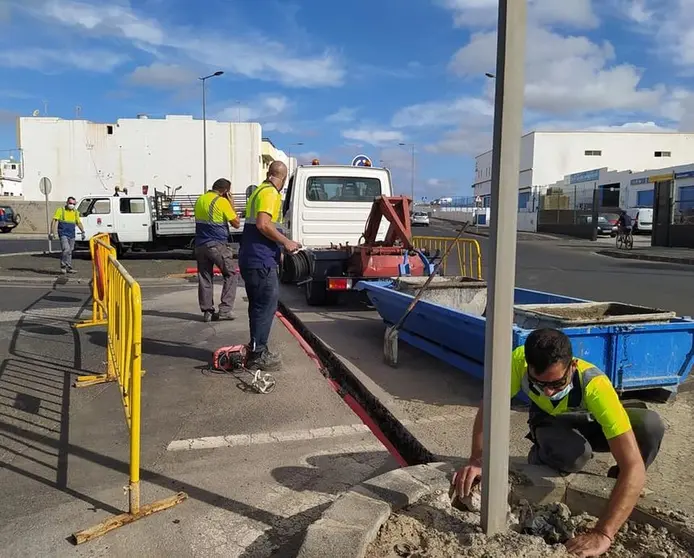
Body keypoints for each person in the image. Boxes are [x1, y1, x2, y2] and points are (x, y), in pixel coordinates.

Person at [453, 328, 665, 558]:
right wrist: (477, 458)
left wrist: (603, 533)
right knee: (574, 456)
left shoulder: (595, 386)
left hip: (591, 422)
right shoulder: (517, 363)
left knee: (649, 425)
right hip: (550, 420)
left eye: (557, 383)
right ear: (528, 367)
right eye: (540, 384)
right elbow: (489, 407)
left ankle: (620, 485)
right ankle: (541, 454)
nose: (549, 390)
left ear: (572, 366)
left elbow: (634, 465)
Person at [238, 161, 301, 371]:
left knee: (258, 306)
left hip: (253, 258)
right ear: (282, 178)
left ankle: (257, 347)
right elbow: (263, 224)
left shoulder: (258, 192)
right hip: (260, 261)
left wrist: (278, 250)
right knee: (266, 306)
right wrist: (286, 242)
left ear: (269, 173)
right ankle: (259, 354)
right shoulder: (271, 193)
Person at [194, 178, 241, 322]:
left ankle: (207, 311)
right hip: (217, 245)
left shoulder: (200, 199)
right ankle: (225, 310)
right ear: (225, 191)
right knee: (231, 274)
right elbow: (236, 224)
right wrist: (231, 203)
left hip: (200, 245)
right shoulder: (222, 202)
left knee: (205, 277)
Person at [50, 196, 85, 274]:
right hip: (63, 233)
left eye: (73, 204)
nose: (71, 205)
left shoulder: (75, 212)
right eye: (70, 203)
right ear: (67, 202)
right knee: (66, 249)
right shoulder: (61, 210)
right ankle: (63, 266)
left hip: (71, 234)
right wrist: (52, 232)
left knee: (70, 251)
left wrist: (83, 231)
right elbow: (54, 220)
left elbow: (78, 222)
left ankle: (68, 267)